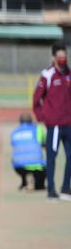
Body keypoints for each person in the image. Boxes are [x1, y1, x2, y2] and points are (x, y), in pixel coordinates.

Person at [33, 43, 71, 201]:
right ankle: (51, 191)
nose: (63, 60)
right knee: (52, 157)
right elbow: (36, 100)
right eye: (60, 57)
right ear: (53, 58)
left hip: (68, 124)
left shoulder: (69, 74)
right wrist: (44, 117)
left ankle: (65, 188)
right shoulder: (47, 75)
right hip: (53, 125)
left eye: (65, 57)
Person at [10, 113, 46, 192]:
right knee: (47, 164)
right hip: (37, 164)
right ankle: (39, 184)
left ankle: (24, 181)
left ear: (20, 122)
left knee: (18, 159)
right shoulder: (37, 129)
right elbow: (44, 144)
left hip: (19, 166)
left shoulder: (15, 132)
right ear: (31, 121)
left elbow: (14, 144)